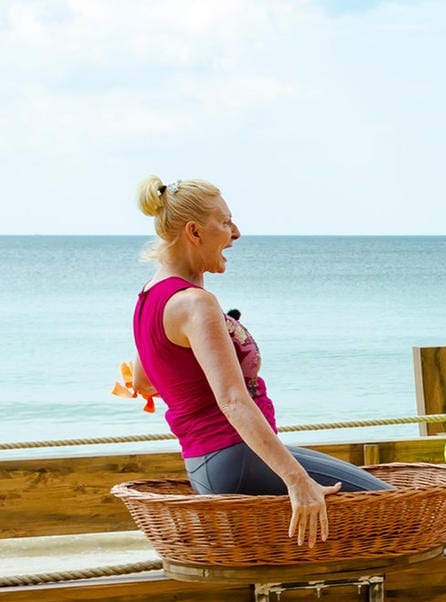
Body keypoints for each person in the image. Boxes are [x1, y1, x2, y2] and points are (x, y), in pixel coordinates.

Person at [132, 176, 389, 546]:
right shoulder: (195, 303)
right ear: (194, 231)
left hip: (210, 464)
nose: (235, 233)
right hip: (235, 456)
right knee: (388, 505)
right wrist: (298, 481)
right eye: (224, 222)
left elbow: (143, 380)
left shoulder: (149, 297)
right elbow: (233, 401)